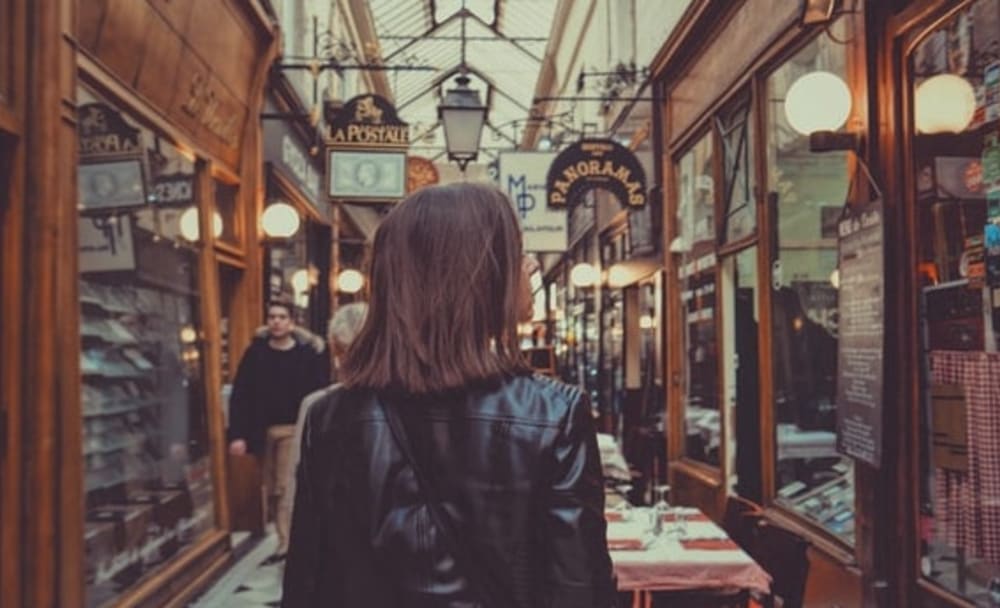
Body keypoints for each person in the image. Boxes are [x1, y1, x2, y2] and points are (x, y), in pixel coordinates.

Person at [282, 183, 615, 607]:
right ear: (479, 276)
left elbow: (309, 584)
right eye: (517, 251)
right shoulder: (554, 414)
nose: (530, 265)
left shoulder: (329, 417)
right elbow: (580, 592)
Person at [227, 299, 328, 556]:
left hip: (293, 430)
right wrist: (237, 434)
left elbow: (319, 394)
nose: (276, 321)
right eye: (272, 316)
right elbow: (241, 395)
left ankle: (287, 542)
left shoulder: (306, 355)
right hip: (263, 432)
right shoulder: (255, 354)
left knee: (284, 485)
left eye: (282, 317)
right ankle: (287, 535)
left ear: (292, 322)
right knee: (271, 488)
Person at [273, 302, 369, 560]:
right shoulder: (408, 400)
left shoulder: (318, 406)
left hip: (335, 544)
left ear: (336, 351)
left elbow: (297, 484)